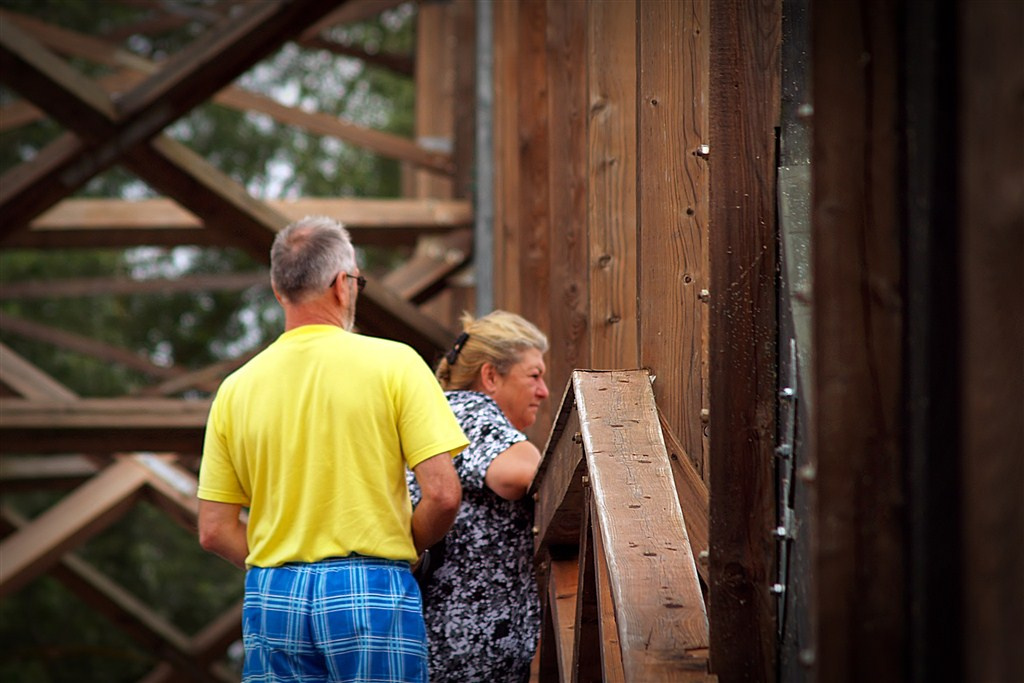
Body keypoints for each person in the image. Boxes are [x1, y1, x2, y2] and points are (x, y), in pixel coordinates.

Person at [197, 215, 468, 683]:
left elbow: (214, 530)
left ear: (279, 290)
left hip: (272, 595)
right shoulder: (396, 364)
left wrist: (283, 559)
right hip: (370, 586)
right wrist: (406, 547)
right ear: (343, 285)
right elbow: (443, 495)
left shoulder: (235, 390)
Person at [407, 310, 550, 683]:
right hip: (463, 657)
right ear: (490, 376)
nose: (543, 391)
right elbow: (519, 474)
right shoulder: (469, 410)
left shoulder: (436, 412)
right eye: (534, 375)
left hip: (441, 647)